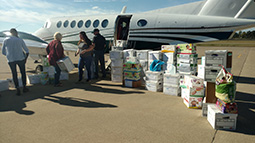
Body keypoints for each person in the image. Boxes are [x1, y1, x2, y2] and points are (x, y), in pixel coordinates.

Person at [1, 28, 29, 95]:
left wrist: (8, 55)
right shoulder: (20, 40)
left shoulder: (5, 40)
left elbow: (3, 52)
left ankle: (17, 88)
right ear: (16, 33)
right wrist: (25, 59)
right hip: (20, 58)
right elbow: (27, 51)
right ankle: (24, 87)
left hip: (11, 60)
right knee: (23, 73)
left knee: (14, 74)